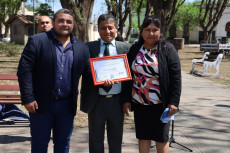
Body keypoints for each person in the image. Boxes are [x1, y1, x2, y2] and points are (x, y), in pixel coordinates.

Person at [17, 9, 90, 153]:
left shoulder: (82, 48)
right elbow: (24, 71)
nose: (65, 24)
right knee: (39, 144)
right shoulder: (37, 41)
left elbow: (89, 74)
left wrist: (107, 78)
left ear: (73, 24)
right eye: (61, 21)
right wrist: (28, 98)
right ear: (54, 23)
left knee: (63, 144)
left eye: (68, 21)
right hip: (40, 104)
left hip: (67, 105)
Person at [122, 16, 181, 153]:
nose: (151, 33)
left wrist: (174, 102)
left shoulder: (168, 49)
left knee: (161, 138)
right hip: (140, 103)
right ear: (142, 31)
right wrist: (126, 100)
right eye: (147, 29)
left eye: (155, 30)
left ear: (160, 32)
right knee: (143, 137)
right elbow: (128, 76)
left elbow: (176, 78)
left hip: (161, 104)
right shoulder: (134, 49)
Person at [80, 14, 131, 153]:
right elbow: (85, 71)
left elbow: (129, 79)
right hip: (96, 101)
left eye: (110, 28)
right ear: (98, 29)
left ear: (116, 29)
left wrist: (127, 101)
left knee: (116, 140)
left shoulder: (125, 48)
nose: (107, 31)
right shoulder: (88, 47)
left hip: (117, 102)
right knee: (95, 141)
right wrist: (101, 82)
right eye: (103, 28)